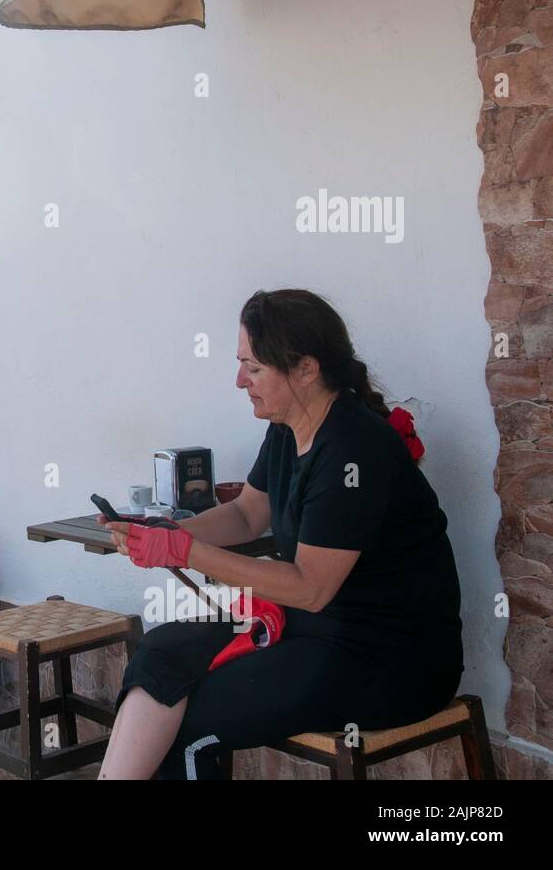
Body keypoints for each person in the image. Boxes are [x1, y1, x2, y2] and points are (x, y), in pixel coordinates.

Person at [97, 288, 464, 780]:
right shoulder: (288, 427)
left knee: (190, 724)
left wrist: (186, 550)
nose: (239, 380)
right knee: (160, 654)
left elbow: (311, 588)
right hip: (314, 631)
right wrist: (163, 531)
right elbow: (248, 514)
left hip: (389, 657)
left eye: (253, 367)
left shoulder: (354, 450)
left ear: (306, 369)